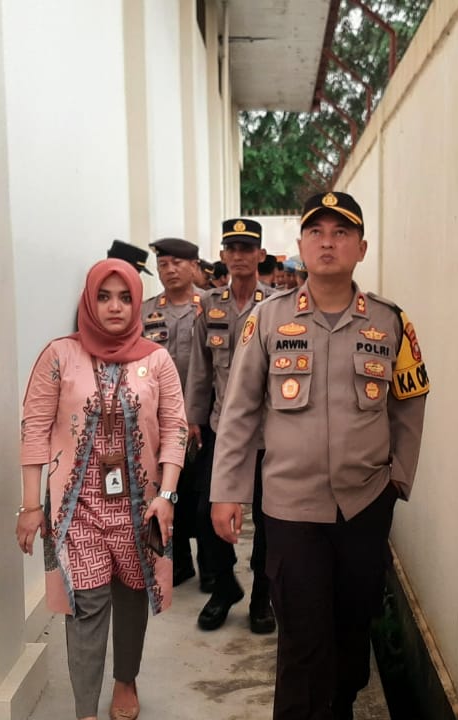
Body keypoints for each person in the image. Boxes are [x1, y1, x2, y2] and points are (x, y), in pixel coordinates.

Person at [210, 191, 429, 720]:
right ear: (301, 245)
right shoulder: (266, 320)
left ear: (361, 248)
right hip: (291, 509)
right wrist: (227, 491)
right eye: (317, 232)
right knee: (302, 642)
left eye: (341, 233)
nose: (328, 243)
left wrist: (398, 480)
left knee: (353, 633)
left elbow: (410, 401)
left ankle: (341, 707)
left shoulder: (391, 322)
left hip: (364, 505)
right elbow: (239, 410)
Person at [18, 259, 187, 720]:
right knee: (86, 605)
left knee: (132, 596)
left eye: (125, 297)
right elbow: (34, 429)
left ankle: (126, 679)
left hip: (140, 507)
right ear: (88, 302)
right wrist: (30, 505)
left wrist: (167, 496)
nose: (115, 307)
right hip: (78, 508)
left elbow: (175, 429)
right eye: (104, 297)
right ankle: (85, 710)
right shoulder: (59, 355)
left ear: (137, 303)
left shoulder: (157, 359)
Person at [185, 218, 277, 634]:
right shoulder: (210, 305)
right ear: (223, 255)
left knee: (270, 518)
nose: (239, 256)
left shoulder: (276, 305)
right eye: (232, 248)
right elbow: (201, 369)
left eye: (247, 248)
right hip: (223, 429)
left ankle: (262, 597)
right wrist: (193, 418)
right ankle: (224, 587)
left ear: (260, 254)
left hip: (269, 433)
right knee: (207, 512)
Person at [141, 237, 206, 588]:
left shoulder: (210, 306)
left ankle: (211, 566)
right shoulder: (146, 312)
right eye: (163, 264)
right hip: (159, 420)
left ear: (194, 266)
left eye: (177, 263)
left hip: (204, 418)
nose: (170, 270)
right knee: (168, 489)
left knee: (204, 494)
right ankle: (178, 562)